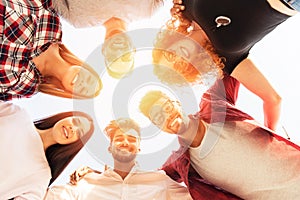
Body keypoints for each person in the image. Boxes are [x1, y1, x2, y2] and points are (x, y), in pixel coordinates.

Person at [153, 0, 300, 131]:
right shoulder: (227, 59)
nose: (179, 58)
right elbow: (273, 99)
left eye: (170, 55)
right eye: (179, 67)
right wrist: (272, 136)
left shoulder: (186, 7)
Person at [139, 84, 300, 199]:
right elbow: (149, 180)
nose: (167, 117)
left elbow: (231, 59)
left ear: (177, 103)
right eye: (159, 118)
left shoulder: (213, 103)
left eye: (166, 108)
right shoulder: (181, 162)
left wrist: (271, 130)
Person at [45, 118, 193, 200]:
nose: (125, 142)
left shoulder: (159, 181)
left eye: (132, 139)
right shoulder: (86, 182)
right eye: (119, 138)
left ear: (139, 147)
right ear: (110, 148)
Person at [0, 0, 102, 101]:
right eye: (89, 79)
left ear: (71, 92)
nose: (83, 82)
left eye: (83, 89)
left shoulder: (29, 88)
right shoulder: (53, 28)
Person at [0, 101, 94, 200]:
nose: (73, 128)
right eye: (75, 121)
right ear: (66, 117)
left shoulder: (42, 175)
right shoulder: (18, 115)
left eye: (79, 133)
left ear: (75, 143)